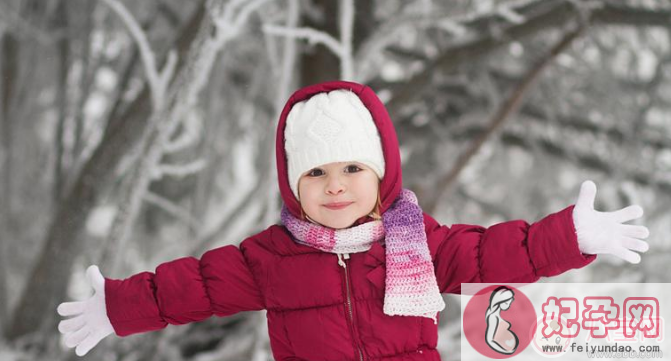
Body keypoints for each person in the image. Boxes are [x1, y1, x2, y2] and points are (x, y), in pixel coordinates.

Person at [57, 81, 650, 360]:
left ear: (382, 171)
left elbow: (497, 252)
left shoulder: (418, 243)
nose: (334, 185)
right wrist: (118, 306)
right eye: (314, 174)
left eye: (350, 167)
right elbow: (193, 286)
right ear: (293, 187)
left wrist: (569, 237)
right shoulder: (268, 258)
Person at [485, 286, 518, 354]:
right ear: (499, 301)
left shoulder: (496, 314)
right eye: (506, 303)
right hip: (503, 350)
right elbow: (489, 340)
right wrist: (508, 351)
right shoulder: (493, 317)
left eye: (509, 303)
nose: (508, 305)